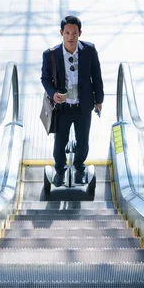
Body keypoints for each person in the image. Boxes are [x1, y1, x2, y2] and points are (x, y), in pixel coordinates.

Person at [40, 15, 104, 186]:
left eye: (74, 33)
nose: (70, 36)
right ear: (61, 33)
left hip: (83, 106)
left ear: (80, 33)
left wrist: (99, 100)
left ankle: (79, 168)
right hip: (63, 108)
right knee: (60, 141)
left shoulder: (89, 50)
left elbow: (96, 76)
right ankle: (60, 170)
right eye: (67, 32)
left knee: (83, 140)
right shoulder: (50, 55)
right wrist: (53, 94)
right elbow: (45, 79)